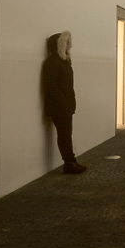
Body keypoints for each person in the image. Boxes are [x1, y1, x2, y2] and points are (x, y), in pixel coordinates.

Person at [42, 31, 87, 174]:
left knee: (66, 134)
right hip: (59, 107)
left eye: (68, 41)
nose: (68, 44)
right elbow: (51, 87)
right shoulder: (52, 63)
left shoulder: (63, 61)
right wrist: (62, 101)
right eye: (65, 42)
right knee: (64, 135)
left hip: (66, 105)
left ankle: (71, 161)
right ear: (58, 45)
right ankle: (69, 163)